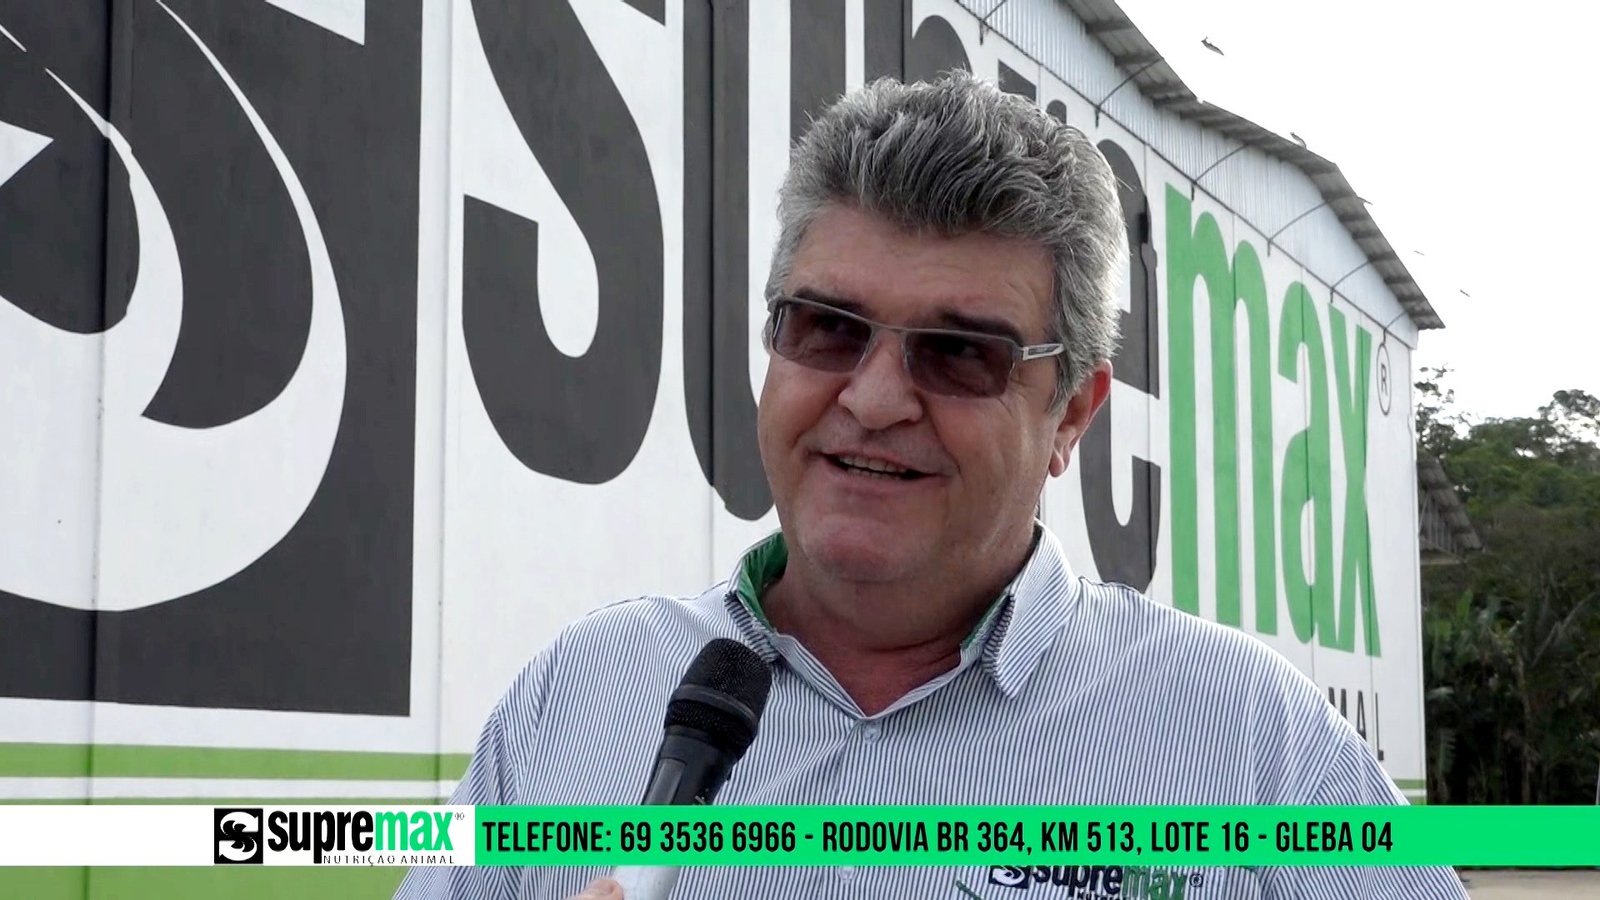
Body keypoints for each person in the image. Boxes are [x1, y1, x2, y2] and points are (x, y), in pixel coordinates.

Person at [397, 71, 1466, 899]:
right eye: (828, 327)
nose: (872, 399)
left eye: (960, 353)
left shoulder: (1246, 741)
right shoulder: (574, 697)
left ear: (1071, 415)